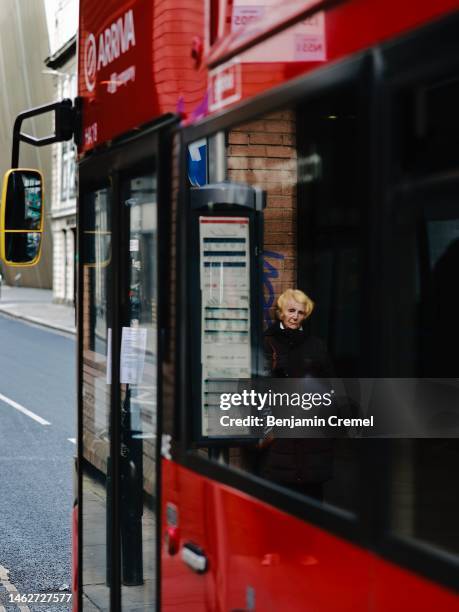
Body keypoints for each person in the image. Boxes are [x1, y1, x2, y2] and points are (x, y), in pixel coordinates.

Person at [258, 288, 334, 501]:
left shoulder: (316, 344)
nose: (295, 316)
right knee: (280, 495)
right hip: (281, 430)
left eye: (301, 313)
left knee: (311, 497)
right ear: (281, 312)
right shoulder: (267, 342)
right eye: (291, 310)